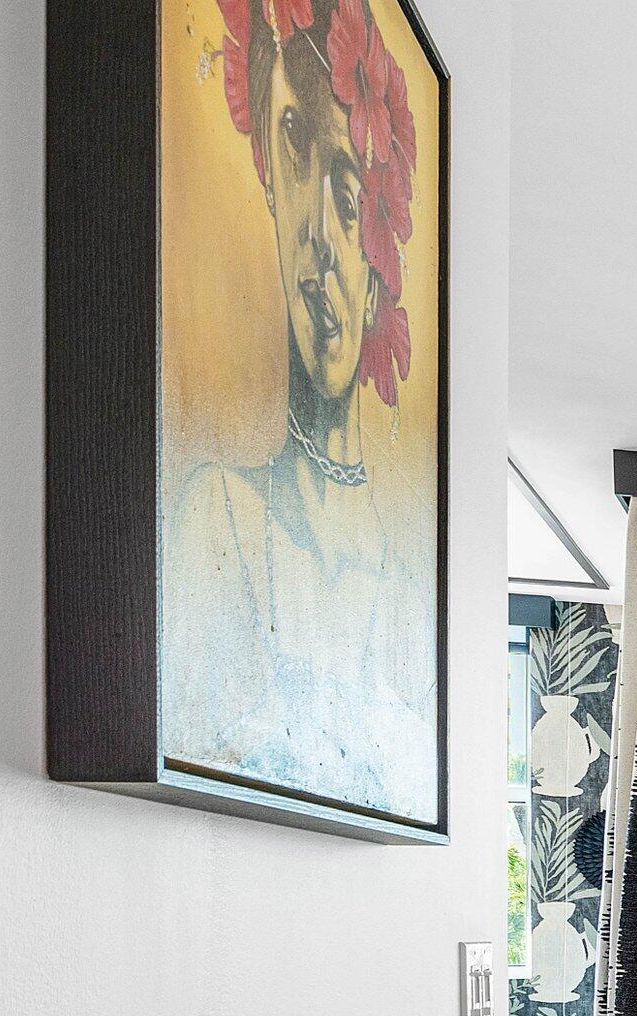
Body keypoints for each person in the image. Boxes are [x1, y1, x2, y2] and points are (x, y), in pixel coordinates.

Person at [168, 0, 431, 823]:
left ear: (378, 270)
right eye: (292, 145)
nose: (319, 235)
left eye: (350, 204)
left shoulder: (408, 598)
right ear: (270, 185)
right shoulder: (220, 516)